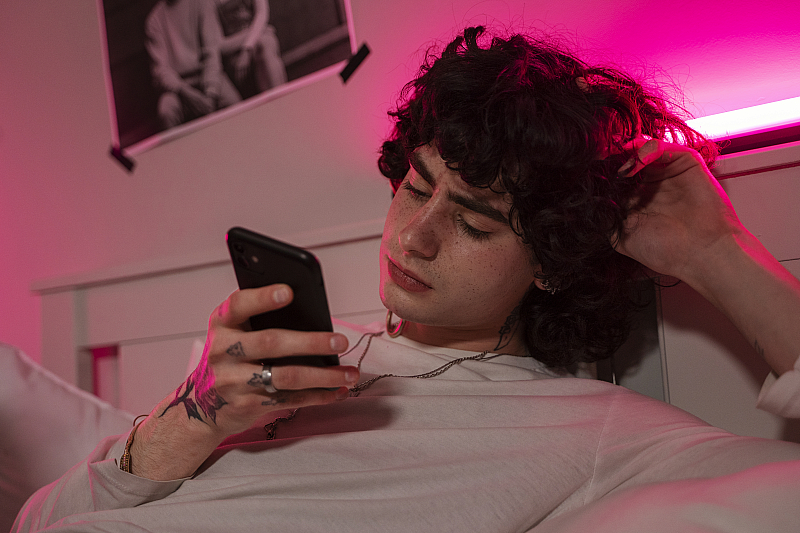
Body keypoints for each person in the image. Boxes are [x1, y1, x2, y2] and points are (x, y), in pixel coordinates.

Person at [14, 26, 800, 532]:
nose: (415, 237)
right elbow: (42, 516)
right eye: (417, 187)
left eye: (476, 223)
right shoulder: (295, 352)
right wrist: (196, 417)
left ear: (552, 263)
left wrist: (719, 252)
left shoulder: (593, 430)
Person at [145, 0, 242, 129]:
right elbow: (160, 69)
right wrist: (185, 92)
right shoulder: (154, 20)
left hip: (207, 76)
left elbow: (212, 53)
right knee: (166, 112)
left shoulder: (201, 3)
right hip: (178, 88)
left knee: (234, 104)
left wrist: (211, 93)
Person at [214, 0, 288, 97]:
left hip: (260, 42)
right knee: (263, 41)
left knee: (264, 45)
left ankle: (279, 98)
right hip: (235, 50)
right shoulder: (210, 3)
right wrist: (258, 32)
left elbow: (262, 16)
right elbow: (220, 45)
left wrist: (247, 49)